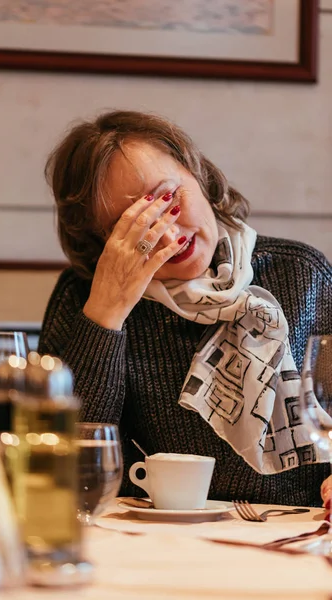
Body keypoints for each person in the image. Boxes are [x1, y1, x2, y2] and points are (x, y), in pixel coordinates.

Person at [38, 110, 332, 507]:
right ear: (101, 238)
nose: (169, 236)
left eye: (168, 199)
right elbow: (65, 470)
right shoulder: (81, 298)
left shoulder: (299, 273)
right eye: (136, 224)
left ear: (201, 177)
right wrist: (107, 311)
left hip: (294, 534)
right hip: (149, 542)